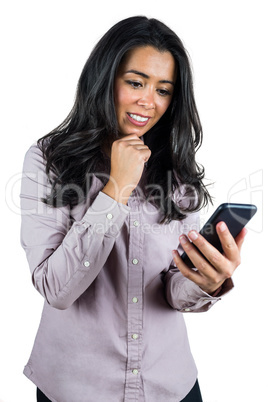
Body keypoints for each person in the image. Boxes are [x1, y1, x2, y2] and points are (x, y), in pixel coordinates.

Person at [20, 16, 247, 402]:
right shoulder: (48, 159)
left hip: (170, 384)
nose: (149, 101)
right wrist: (117, 188)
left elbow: (172, 290)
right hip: (77, 389)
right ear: (106, 78)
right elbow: (55, 289)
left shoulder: (177, 166)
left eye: (164, 89)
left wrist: (205, 281)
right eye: (136, 82)